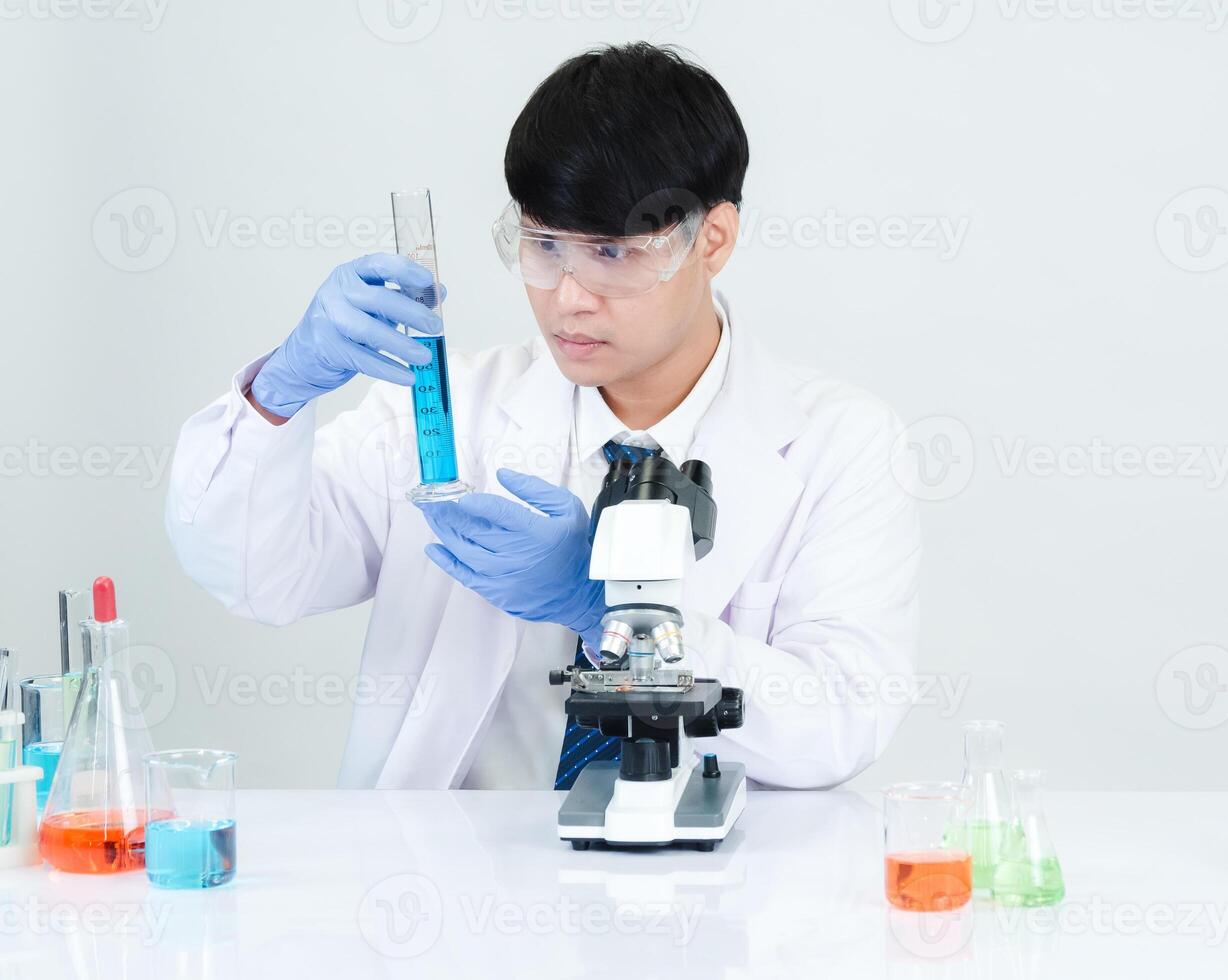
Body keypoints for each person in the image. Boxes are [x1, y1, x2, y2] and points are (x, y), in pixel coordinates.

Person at [166, 42, 921, 791]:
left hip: (704, 891)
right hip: (443, 886)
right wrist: (280, 390)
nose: (568, 296)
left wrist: (608, 613)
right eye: (544, 244)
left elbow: (837, 723)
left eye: (611, 253)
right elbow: (257, 576)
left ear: (712, 238)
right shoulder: (443, 412)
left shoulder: (839, 445)